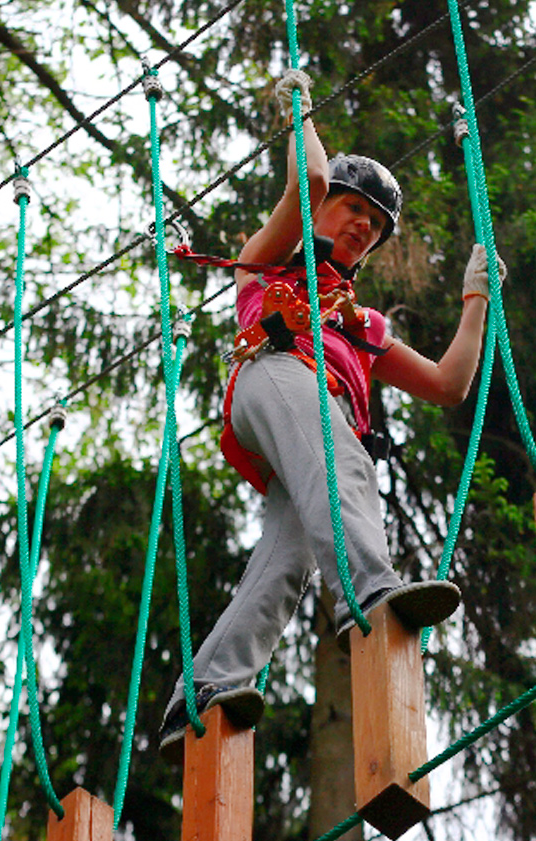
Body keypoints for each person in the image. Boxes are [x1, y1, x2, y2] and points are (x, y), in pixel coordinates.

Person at [159, 71, 503, 757]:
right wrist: (301, 110)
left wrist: (477, 302)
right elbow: (308, 183)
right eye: (352, 210)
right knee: (344, 459)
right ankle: (370, 593)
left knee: (286, 561)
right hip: (276, 375)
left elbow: (447, 384)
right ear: (322, 211)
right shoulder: (270, 265)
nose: (360, 227)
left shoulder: (364, 321)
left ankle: (201, 690)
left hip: (312, 412)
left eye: (373, 227)